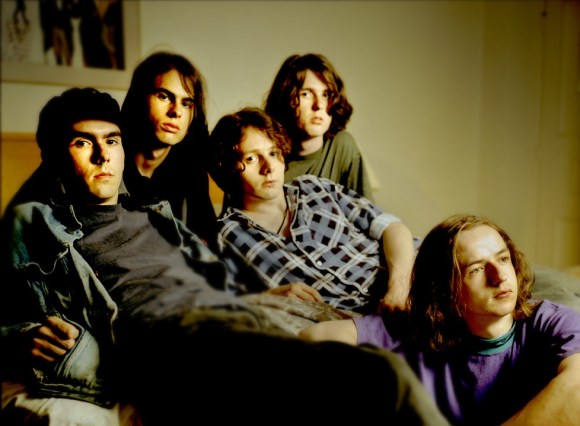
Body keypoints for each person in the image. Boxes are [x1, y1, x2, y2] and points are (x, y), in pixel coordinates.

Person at [0, 88, 450, 425]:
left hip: (226, 321)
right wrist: (19, 337)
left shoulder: (157, 214)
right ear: (54, 158)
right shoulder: (33, 221)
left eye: (112, 140)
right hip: (168, 343)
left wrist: (263, 300)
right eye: (82, 143)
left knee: (382, 375)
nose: (104, 155)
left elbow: (215, 282)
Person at [300, 214, 580, 425]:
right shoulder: (415, 329)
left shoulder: (552, 321)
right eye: (476, 269)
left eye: (503, 259)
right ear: (445, 288)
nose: (499, 276)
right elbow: (315, 337)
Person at [209, 107, 416, 315]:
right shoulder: (225, 237)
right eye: (251, 159)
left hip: (413, 275)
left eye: (273, 153)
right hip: (364, 318)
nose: (269, 167)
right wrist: (267, 297)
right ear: (227, 167)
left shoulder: (313, 187)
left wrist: (399, 286)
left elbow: (391, 227)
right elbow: (210, 301)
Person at [121, 51, 218, 248]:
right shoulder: (106, 157)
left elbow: (207, 241)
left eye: (186, 103)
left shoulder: (192, 168)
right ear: (139, 97)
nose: (176, 112)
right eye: (164, 96)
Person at [264, 52, 375, 200]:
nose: (319, 105)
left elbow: (366, 212)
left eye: (326, 94)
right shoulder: (266, 157)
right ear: (285, 98)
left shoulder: (342, 146)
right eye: (306, 94)